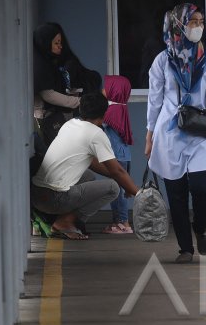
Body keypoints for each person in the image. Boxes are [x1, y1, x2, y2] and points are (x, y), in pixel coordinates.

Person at [145, 3, 206, 264]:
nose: (199, 27)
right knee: (176, 194)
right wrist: (149, 135)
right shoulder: (162, 61)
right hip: (170, 134)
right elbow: (154, 100)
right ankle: (185, 248)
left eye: (200, 21)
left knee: (201, 186)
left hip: (201, 132)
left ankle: (199, 227)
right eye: (193, 21)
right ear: (178, 25)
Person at [30, 92, 139, 240]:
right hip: (54, 199)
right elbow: (117, 170)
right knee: (113, 188)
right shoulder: (96, 134)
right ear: (104, 114)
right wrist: (138, 193)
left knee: (88, 176)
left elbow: (92, 163)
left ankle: (59, 218)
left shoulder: (70, 124)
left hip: (36, 194)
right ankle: (64, 222)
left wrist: (125, 183)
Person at [33, 22, 101, 146]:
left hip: (54, 116)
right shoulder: (41, 66)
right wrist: (79, 101)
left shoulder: (50, 62)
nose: (60, 47)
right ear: (46, 43)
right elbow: (48, 94)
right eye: (56, 43)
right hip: (47, 118)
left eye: (61, 43)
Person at [101, 74, 135, 234]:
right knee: (120, 189)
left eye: (106, 87)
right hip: (124, 155)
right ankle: (121, 221)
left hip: (116, 156)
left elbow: (98, 123)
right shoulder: (121, 107)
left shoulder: (111, 109)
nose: (103, 89)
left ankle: (122, 223)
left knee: (117, 191)